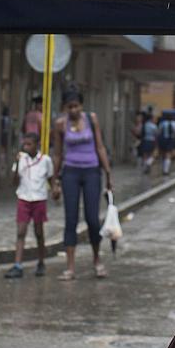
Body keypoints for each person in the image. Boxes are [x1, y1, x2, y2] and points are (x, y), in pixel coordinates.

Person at [51, 89, 113, 280]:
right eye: (70, 107)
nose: (73, 110)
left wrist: (108, 174)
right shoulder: (61, 124)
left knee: (92, 219)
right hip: (70, 173)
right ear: (64, 108)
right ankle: (70, 267)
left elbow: (100, 146)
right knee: (71, 219)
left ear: (81, 106)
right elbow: (58, 154)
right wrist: (55, 180)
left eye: (76, 106)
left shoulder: (91, 119)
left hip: (92, 172)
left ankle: (97, 260)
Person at [5, 132, 54, 278]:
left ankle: (41, 262)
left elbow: (51, 179)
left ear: (37, 145)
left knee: (39, 232)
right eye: (24, 144)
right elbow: (14, 182)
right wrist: (17, 162)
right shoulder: (21, 159)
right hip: (24, 198)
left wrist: (56, 192)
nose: (26, 147)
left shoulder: (45, 160)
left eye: (29, 144)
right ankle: (18, 264)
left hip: (39, 199)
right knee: (21, 232)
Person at [156, 111, 175, 175]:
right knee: (168, 154)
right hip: (171, 140)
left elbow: (159, 131)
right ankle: (166, 170)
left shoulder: (162, 123)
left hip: (163, 139)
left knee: (163, 154)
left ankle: (164, 168)